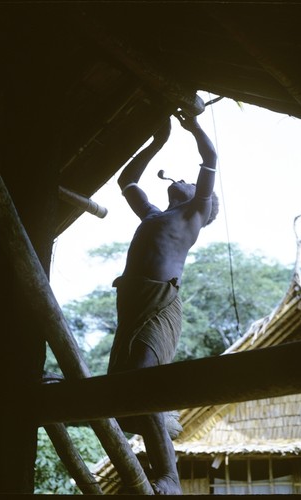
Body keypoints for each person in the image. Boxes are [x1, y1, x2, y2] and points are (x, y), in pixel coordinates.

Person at [107, 113, 219, 495]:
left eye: (189, 184)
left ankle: (170, 477)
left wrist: (194, 128)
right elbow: (128, 181)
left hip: (160, 303)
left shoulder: (194, 214)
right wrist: (155, 142)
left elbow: (210, 159)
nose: (183, 181)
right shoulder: (154, 214)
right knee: (121, 394)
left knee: (141, 381)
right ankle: (162, 419)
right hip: (131, 304)